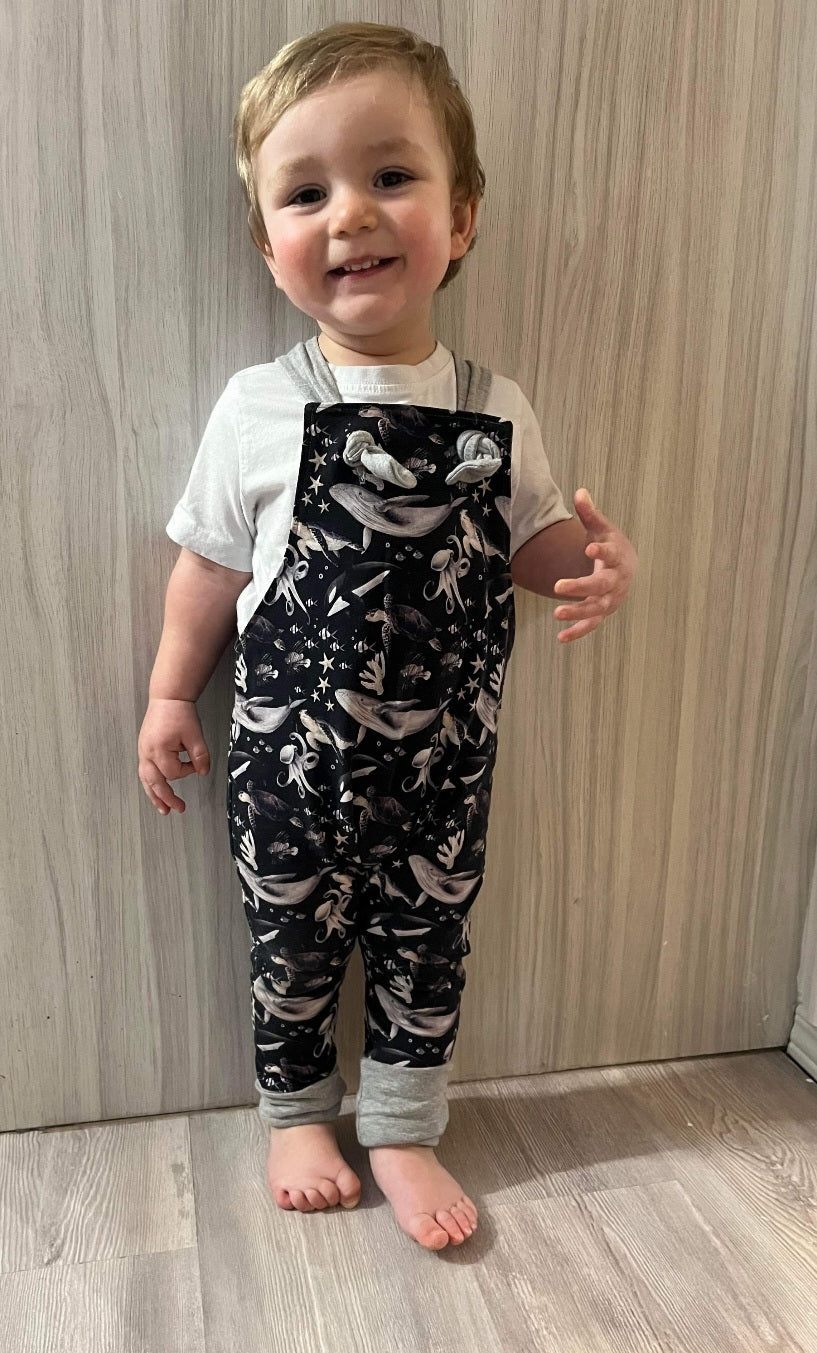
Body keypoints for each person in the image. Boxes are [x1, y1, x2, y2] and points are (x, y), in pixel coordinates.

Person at [137, 20, 638, 1252]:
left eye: (391, 175)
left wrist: (587, 566)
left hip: (443, 775)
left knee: (430, 945)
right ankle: (298, 1115)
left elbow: (525, 542)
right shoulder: (260, 407)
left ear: (460, 219)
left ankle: (406, 1126)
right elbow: (209, 566)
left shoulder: (494, 408)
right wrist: (168, 696)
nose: (350, 213)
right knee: (290, 943)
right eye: (305, 193)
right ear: (268, 247)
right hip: (288, 766)